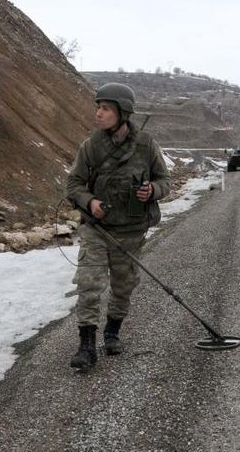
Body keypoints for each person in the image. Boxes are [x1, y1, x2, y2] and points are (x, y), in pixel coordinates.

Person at [66, 83, 171, 371]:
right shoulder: (91, 146)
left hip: (130, 231)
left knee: (123, 287)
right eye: (98, 107)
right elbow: (73, 183)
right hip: (97, 229)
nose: (98, 114)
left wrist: (152, 191)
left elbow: (165, 181)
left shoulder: (146, 145)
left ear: (122, 113)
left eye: (106, 109)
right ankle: (86, 345)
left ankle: (112, 333)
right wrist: (89, 203)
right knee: (89, 284)